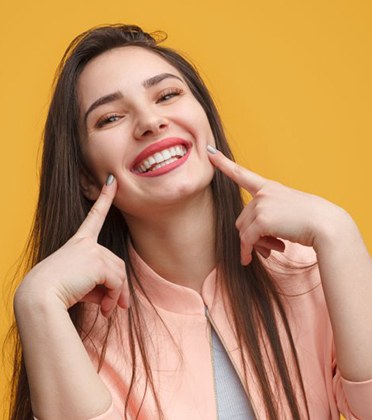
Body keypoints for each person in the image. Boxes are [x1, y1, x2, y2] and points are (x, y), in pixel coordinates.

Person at [8, 24, 372, 420]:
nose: (150, 121)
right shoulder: (79, 334)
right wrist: (37, 303)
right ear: (87, 178)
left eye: (167, 95)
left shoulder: (311, 272)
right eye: (110, 118)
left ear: (206, 121)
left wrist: (339, 233)